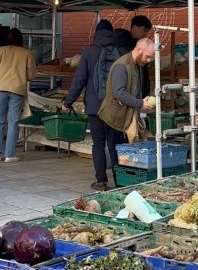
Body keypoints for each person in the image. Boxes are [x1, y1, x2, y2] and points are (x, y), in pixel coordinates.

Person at [61, 19, 122, 191]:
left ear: (96, 33)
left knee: (98, 144)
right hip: (115, 105)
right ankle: (119, 180)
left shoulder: (88, 52)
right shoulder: (120, 51)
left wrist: (68, 101)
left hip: (95, 107)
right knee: (115, 143)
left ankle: (101, 181)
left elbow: (79, 80)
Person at [0, 27, 37, 163]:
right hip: (17, 89)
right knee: (13, 121)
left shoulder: (1, 50)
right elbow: (32, 74)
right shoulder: (27, 53)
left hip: (1, 88)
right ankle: (10, 155)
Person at [98, 37, 155, 145]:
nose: (148, 60)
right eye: (147, 56)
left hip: (124, 116)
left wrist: (141, 101)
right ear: (139, 50)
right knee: (116, 153)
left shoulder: (137, 65)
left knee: (123, 154)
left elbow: (133, 89)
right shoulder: (122, 65)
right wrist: (140, 103)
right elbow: (119, 93)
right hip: (114, 119)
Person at [113, 15, 153, 98]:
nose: (145, 34)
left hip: (136, 93)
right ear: (134, 27)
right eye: (144, 30)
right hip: (126, 93)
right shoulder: (122, 44)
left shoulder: (136, 44)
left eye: (147, 31)